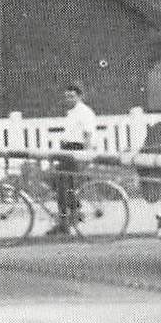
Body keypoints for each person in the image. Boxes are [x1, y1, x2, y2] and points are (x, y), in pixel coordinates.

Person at [51, 82, 97, 234]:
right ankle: (72, 215)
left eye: (72, 96)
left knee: (63, 184)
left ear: (80, 96)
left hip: (76, 151)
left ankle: (66, 222)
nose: (68, 99)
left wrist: (87, 155)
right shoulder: (71, 113)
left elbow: (88, 134)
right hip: (67, 151)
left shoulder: (85, 112)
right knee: (62, 184)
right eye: (66, 97)